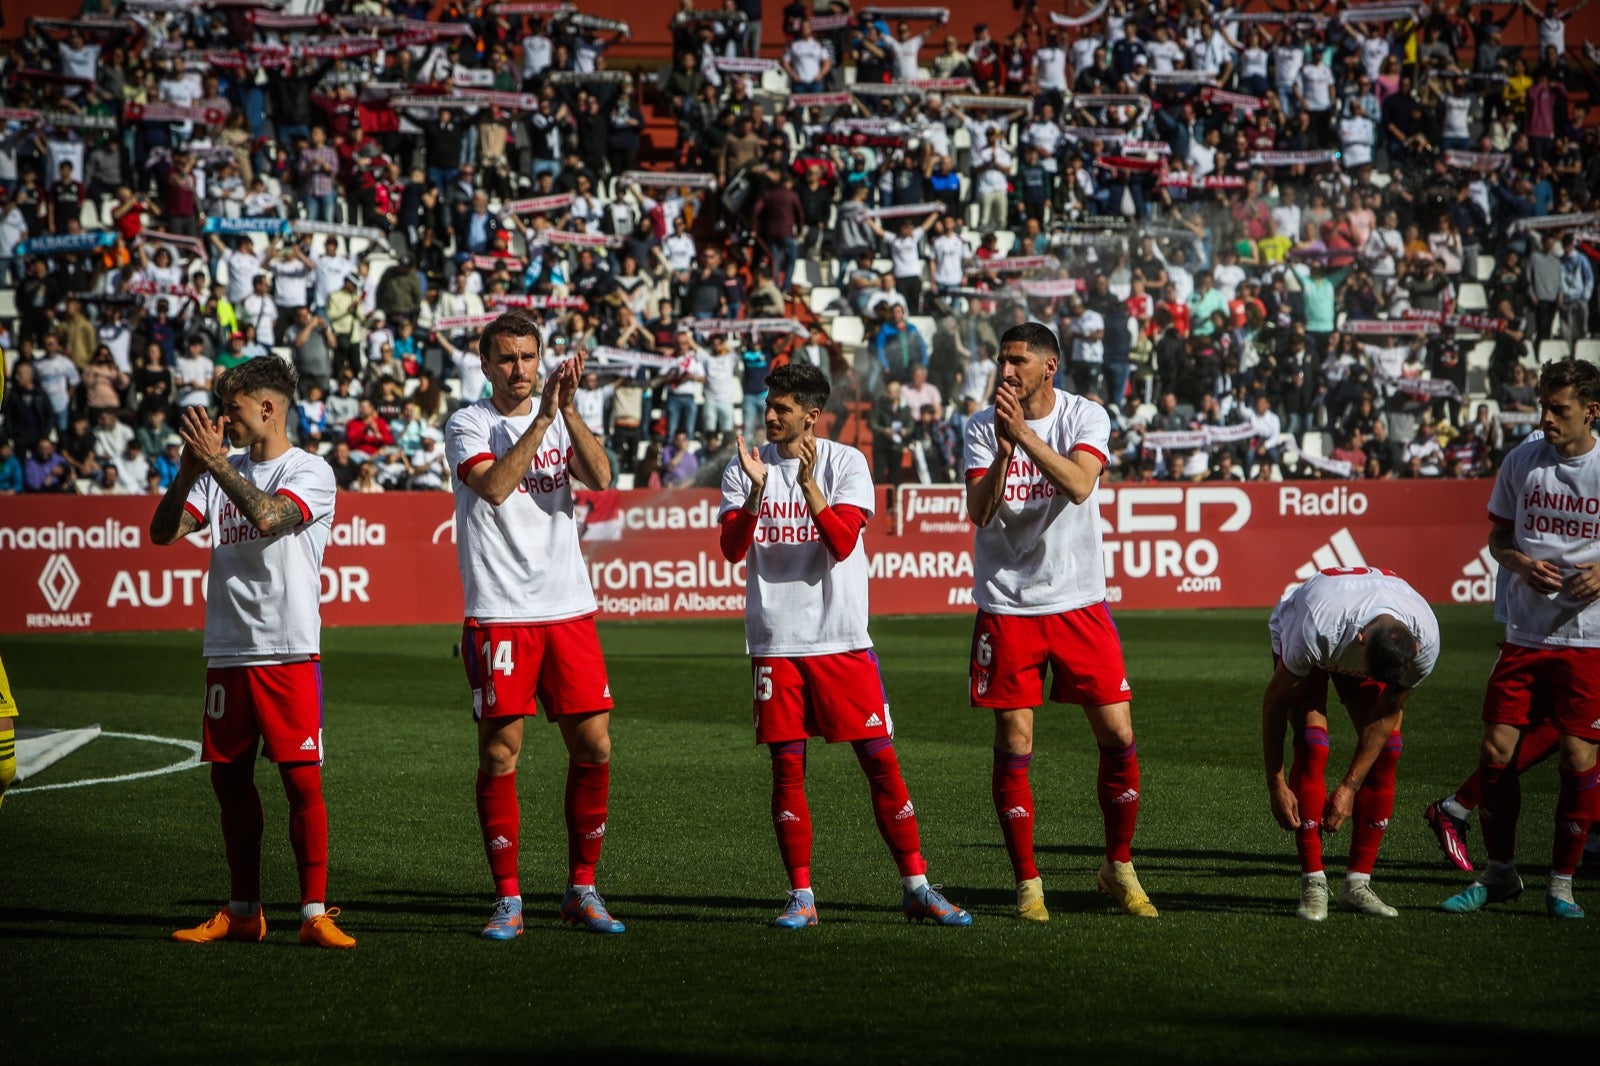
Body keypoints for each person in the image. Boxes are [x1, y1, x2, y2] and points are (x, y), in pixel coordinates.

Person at [717, 362, 971, 929]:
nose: (771, 416)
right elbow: (732, 550)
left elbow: (839, 542)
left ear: (811, 415)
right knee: (787, 771)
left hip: (842, 641)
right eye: (769, 406)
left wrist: (807, 485)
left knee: (881, 764)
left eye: (782, 408)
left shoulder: (845, 463)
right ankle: (802, 896)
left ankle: (917, 885)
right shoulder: (749, 467)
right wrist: (757, 494)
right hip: (776, 644)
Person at [148, 357, 354, 949]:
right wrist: (190, 473)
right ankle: (243, 911)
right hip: (228, 649)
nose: (223, 420)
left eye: (232, 409)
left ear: (267, 408)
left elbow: (267, 517)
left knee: (300, 783)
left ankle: (314, 913)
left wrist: (214, 465)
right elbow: (164, 533)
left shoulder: (310, 470)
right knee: (229, 783)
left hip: (288, 648)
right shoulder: (218, 469)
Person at [962, 322, 1156, 922]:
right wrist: (1000, 452)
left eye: (1018, 361)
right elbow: (978, 511)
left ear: (1050, 367)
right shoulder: (977, 427)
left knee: (1119, 736)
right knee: (1014, 742)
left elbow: (1077, 485)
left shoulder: (1085, 415)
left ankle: (1117, 867)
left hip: (1078, 602)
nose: (1007, 371)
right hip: (1007, 607)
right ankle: (1028, 884)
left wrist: (1022, 436)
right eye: (1002, 360)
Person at [443, 309, 624, 940]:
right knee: (499, 752)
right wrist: (543, 419)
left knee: (594, 746)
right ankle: (510, 899)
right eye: (508, 359)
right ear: (486, 363)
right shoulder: (469, 423)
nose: (520, 369)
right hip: (499, 611)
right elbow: (493, 487)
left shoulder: (559, 418)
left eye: (529, 357)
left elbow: (602, 479)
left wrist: (569, 413)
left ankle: (582, 889)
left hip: (567, 607)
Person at [1442, 359, 1600, 919]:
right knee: (1495, 750)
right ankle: (1500, 873)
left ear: (1591, 412)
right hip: (1525, 631)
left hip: (1589, 639)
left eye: (1560, 409)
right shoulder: (1521, 461)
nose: (1548, 419)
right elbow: (1498, 535)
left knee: (1578, 757)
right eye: (1544, 407)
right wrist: (1518, 563)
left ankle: (1561, 884)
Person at [1263, 568, 1440, 921]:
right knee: (1313, 746)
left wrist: (1348, 786)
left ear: (1415, 647)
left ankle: (1357, 884)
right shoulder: (1316, 627)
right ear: (1361, 641)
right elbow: (1274, 701)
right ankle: (1313, 884)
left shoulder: (1427, 641)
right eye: (1368, 672)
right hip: (1311, 627)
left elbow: (1389, 710)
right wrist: (1276, 783)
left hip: (1351, 630)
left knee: (1387, 751)